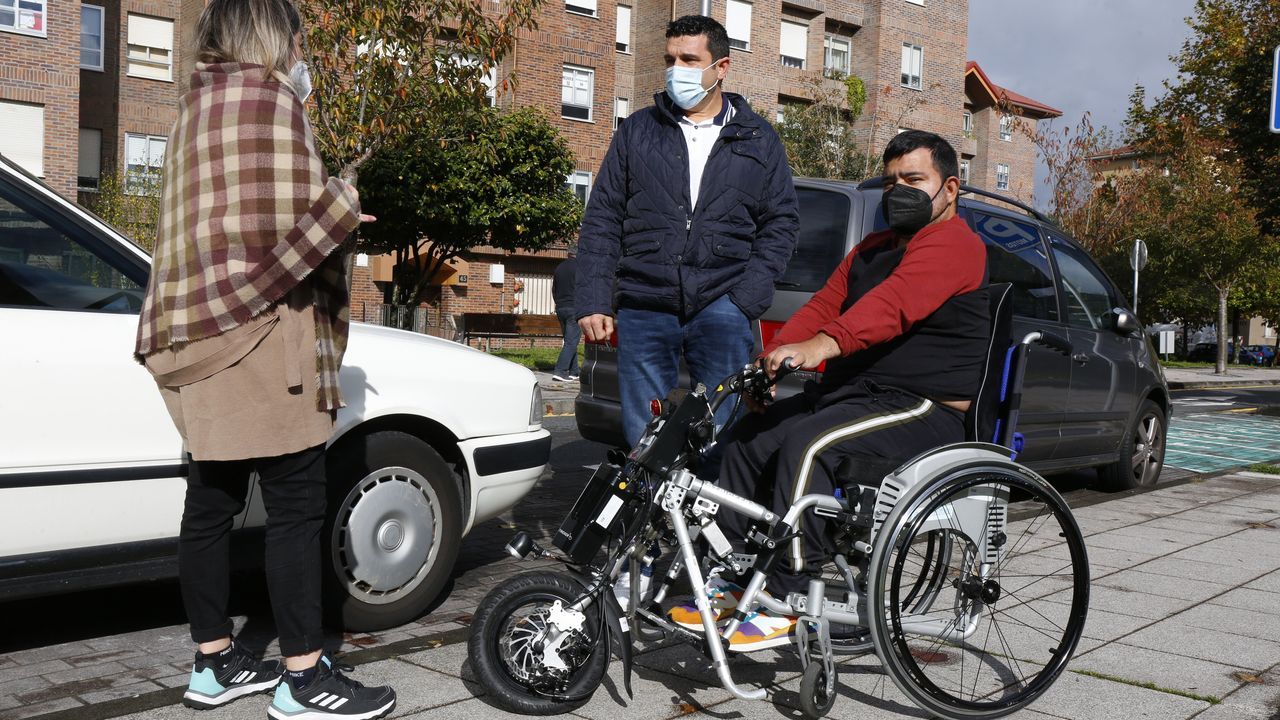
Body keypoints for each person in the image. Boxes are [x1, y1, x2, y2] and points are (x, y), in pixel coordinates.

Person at [134, 0, 395, 716]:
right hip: (256, 332)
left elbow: (225, 222)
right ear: (272, 36)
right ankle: (305, 678)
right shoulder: (267, 98)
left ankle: (212, 663)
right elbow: (288, 233)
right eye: (296, 37)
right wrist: (342, 204)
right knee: (296, 504)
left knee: (210, 502)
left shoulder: (195, 105)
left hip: (195, 326)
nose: (301, 51)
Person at [669, 130, 990, 652]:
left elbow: (893, 305)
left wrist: (825, 345)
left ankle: (789, 595)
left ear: (949, 188)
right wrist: (770, 363)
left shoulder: (957, 245)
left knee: (807, 446)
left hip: (920, 406)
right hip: (857, 394)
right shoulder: (871, 249)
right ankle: (733, 579)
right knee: (751, 436)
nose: (898, 192)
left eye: (914, 180)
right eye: (890, 183)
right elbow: (824, 305)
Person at [576, 14, 799, 454]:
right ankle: (654, 520)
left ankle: (709, 522)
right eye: (670, 59)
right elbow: (603, 216)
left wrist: (743, 301)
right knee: (645, 439)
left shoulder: (758, 138)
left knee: (720, 436)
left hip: (722, 304)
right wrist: (594, 298)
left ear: (722, 67)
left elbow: (782, 223)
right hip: (644, 305)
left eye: (689, 59)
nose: (676, 69)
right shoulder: (639, 130)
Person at [552, 248, 581, 382]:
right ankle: (561, 371)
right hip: (574, 308)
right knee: (571, 341)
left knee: (570, 340)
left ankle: (574, 371)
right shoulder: (580, 268)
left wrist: (558, 303)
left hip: (561, 308)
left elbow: (554, 289)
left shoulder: (559, 268)